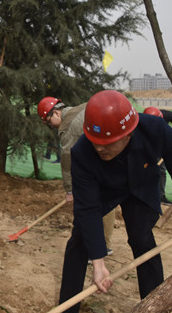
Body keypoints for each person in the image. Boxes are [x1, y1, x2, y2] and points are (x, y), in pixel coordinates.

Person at [58, 90, 172, 313]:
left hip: (141, 182)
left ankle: (155, 304)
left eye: (107, 143)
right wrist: (98, 263)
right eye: (95, 142)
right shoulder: (82, 152)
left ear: (128, 135)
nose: (99, 148)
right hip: (104, 188)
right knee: (80, 239)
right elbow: (87, 208)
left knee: (142, 238)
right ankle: (68, 307)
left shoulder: (156, 130)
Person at [37, 97, 115, 255]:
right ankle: (105, 245)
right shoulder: (82, 108)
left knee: (90, 206)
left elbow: (67, 158)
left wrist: (70, 190)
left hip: (102, 162)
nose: (50, 125)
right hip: (111, 158)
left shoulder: (68, 127)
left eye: (49, 121)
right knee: (107, 203)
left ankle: (97, 248)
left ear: (56, 113)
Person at [143, 106, 172, 205]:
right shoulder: (142, 124)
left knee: (162, 169)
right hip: (149, 143)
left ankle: (161, 197)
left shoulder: (166, 115)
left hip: (164, 139)